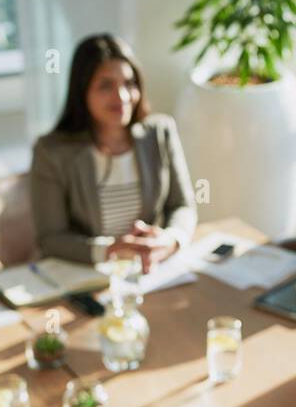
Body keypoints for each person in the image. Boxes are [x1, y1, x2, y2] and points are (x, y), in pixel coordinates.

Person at [30, 33, 196, 270]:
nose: (122, 97)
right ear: (82, 91)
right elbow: (50, 238)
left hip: (149, 272)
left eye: (129, 83)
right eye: (105, 85)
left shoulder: (160, 132)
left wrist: (170, 240)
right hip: (88, 277)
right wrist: (109, 249)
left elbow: (182, 206)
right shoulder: (51, 152)